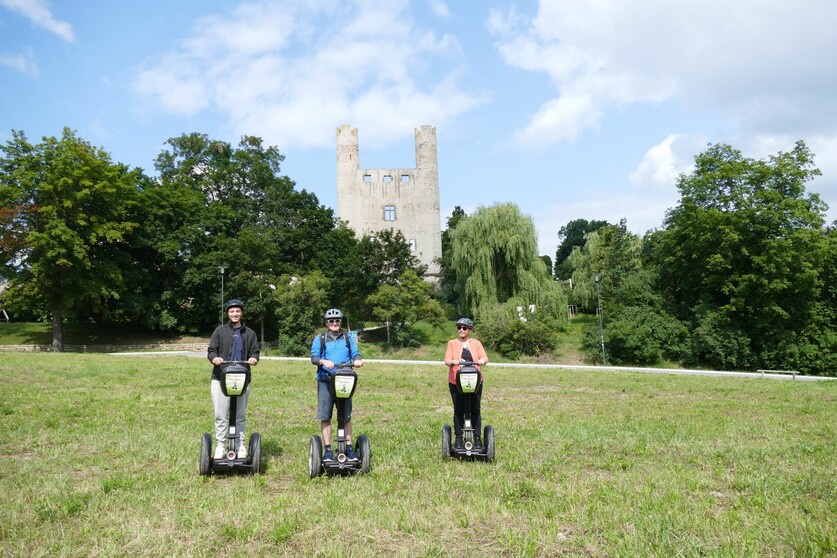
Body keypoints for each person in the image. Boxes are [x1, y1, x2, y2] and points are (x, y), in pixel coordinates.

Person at [207, 299, 260, 460]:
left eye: (237, 311)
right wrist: (215, 359)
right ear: (228, 313)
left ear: (242, 313)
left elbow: (255, 352)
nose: (235, 314)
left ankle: (240, 445)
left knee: (240, 414)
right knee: (221, 414)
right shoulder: (220, 331)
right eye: (232, 311)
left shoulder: (250, 333)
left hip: (242, 378)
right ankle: (220, 446)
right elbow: (211, 351)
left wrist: (253, 359)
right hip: (221, 378)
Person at [310, 308, 363, 462]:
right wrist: (323, 361)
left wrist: (358, 360)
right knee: (325, 415)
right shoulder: (320, 338)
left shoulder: (347, 338)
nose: (334, 323)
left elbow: (355, 353)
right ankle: (327, 450)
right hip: (326, 380)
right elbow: (314, 357)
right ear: (326, 323)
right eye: (331, 321)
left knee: (345, 416)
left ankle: (348, 448)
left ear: (340, 322)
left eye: (337, 321)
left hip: (344, 380)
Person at [443, 317, 489, 449]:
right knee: (458, 410)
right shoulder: (452, 343)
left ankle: (477, 439)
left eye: (464, 328)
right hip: (456, 381)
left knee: (475, 410)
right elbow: (447, 359)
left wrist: (481, 361)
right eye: (459, 327)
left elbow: (484, 357)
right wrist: (452, 361)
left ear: (469, 330)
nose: (461, 330)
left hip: (475, 381)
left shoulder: (476, 343)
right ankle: (458, 439)